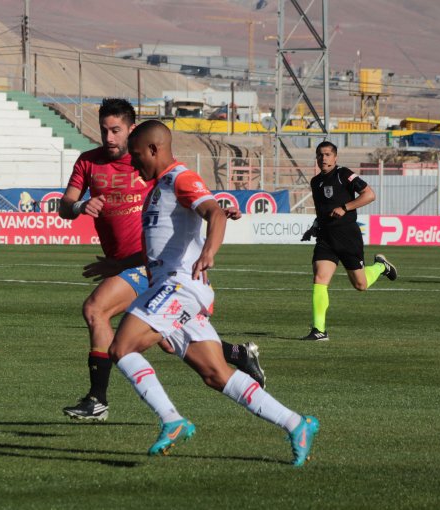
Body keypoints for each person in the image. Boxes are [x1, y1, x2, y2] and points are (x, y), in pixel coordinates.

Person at [109, 120, 319, 465]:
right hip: (173, 286)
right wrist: (115, 265)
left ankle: (172, 420)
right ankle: (297, 424)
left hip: (180, 285)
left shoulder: (180, 178)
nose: (133, 163)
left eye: (136, 155)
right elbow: (164, 245)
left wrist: (210, 252)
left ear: (153, 150)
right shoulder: (160, 186)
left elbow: (215, 213)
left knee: (121, 346)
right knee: (215, 373)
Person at [59, 99, 265, 422]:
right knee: (170, 342)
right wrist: (79, 207)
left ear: (131, 129)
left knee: (95, 309)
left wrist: (218, 215)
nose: (109, 138)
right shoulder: (88, 163)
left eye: (116, 131)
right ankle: (237, 353)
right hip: (124, 262)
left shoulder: (146, 158)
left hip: (147, 264)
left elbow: (187, 195)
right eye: (104, 130)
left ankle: (98, 399)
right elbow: (64, 206)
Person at [300, 141, 397, 341]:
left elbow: (369, 195)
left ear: (335, 157)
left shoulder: (344, 174)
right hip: (326, 238)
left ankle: (380, 266)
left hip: (347, 236)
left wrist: (345, 207)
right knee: (319, 279)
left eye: (327, 154)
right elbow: (323, 210)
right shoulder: (315, 181)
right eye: (320, 155)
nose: (323, 158)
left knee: (360, 285)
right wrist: (314, 227)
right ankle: (319, 330)